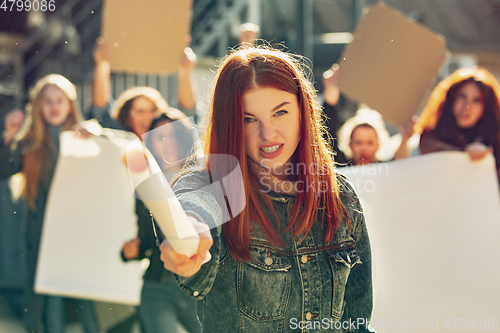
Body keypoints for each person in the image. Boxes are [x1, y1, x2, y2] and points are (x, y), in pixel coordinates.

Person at [158, 46, 373, 332]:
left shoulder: (340, 193)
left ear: (303, 111)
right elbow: (195, 203)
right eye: (249, 119)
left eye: (280, 112)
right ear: (229, 124)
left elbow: (357, 320)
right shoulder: (212, 183)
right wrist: (191, 232)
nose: (268, 133)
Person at [0, 74, 100, 333]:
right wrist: (9, 138)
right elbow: (4, 171)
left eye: (60, 100)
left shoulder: (85, 136)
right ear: (38, 107)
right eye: (47, 101)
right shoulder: (29, 143)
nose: (54, 106)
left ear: (70, 104)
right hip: (40, 231)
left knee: (82, 295)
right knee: (46, 296)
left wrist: (96, 133)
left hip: (77, 231)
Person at [121, 114, 201, 333]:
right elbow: (148, 240)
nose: (168, 142)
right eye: (160, 137)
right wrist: (131, 250)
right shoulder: (145, 186)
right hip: (159, 284)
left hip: (201, 286)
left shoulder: (206, 179)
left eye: (174, 135)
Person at [416, 67, 500, 177]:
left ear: (486, 108)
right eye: (462, 97)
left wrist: (485, 158)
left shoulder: (495, 142)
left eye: (476, 101)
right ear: (451, 100)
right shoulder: (430, 138)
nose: (467, 107)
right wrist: (465, 153)